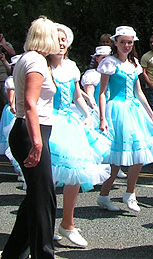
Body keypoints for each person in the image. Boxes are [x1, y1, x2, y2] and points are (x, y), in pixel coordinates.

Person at [0, 17, 59, 259]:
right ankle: (43, 254)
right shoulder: (35, 60)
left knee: (37, 195)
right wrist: (37, 142)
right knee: (45, 197)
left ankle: (14, 252)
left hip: (30, 129)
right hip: (30, 130)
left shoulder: (31, 59)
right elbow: (30, 104)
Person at [49, 24, 110, 248]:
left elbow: (76, 95)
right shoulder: (43, 67)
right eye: (57, 39)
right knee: (48, 179)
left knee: (74, 173)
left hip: (70, 123)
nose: (61, 43)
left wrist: (87, 114)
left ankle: (67, 223)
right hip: (49, 122)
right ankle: (44, 224)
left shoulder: (72, 67)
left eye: (64, 39)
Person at [96, 26, 153, 212]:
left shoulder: (134, 63)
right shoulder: (109, 63)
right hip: (116, 110)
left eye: (129, 42)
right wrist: (102, 118)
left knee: (139, 153)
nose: (126, 45)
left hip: (134, 110)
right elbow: (102, 93)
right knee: (116, 159)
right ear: (115, 43)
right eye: (122, 42)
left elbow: (139, 93)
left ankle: (130, 193)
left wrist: (152, 115)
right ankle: (104, 195)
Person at [82, 46, 128, 179]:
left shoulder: (111, 71)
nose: (106, 59)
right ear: (96, 59)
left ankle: (114, 166)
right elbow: (90, 94)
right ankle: (97, 171)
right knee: (97, 143)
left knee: (114, 140)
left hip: (110, 108)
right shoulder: (92, 75)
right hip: (96, 110)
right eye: (102, 57)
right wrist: (94, 108)